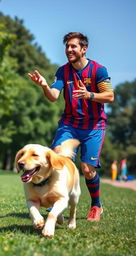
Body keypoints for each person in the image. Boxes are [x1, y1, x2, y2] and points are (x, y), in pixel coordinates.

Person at [28, 32, 114, 222]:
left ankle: (96, 205)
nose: (69, 50)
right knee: (58, 160)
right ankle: (55, 203)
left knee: (87, 169)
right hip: (69, 124)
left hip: (94, 126)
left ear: (84, 49)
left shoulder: (98, 70)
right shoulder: (62, 71)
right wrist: (43, 85)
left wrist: (90, 95)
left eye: (73, 46)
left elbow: (109, 96)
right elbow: (53, 96)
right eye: (67, 46)